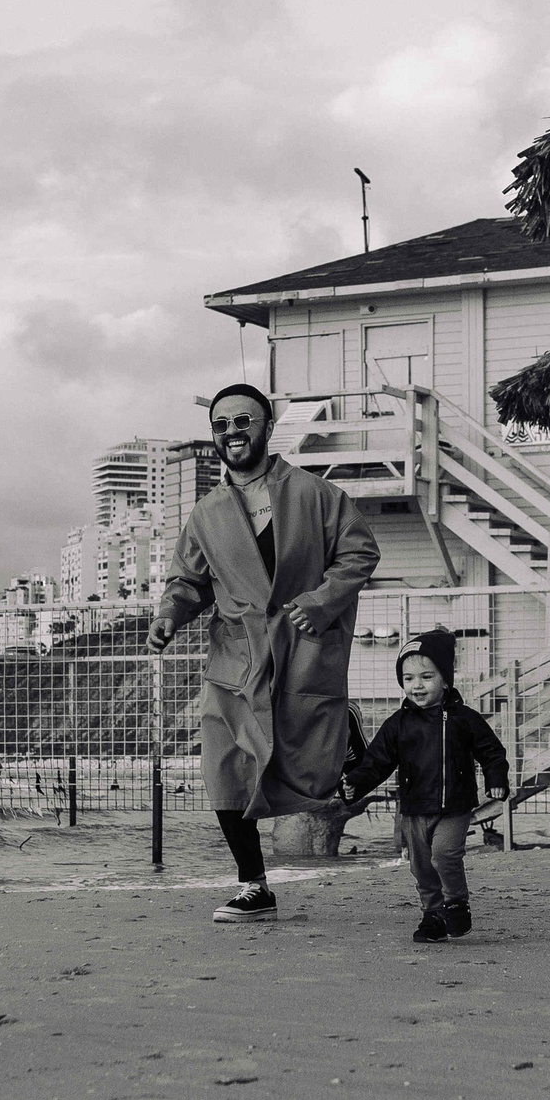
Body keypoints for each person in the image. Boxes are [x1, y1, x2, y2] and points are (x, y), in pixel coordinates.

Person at [149, 383, 380, 922]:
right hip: (235, 655)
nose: (233, 432)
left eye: (244, 421)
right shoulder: (206, 513)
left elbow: (359, 552)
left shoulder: (316, 494)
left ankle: (343, 736)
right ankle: (254, 885)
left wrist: (321, 603)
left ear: (268, 427)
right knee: (224, 768)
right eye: (222, 424)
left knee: (305, 753)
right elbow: (188, 580)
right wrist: (168, 617)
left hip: (301, 643)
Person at [339, 628, 508, 943]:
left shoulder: (464, 719)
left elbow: (492, 752)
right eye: (408, 678)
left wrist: (496, 780)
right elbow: (376, 761)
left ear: (445, 679)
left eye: (426, 677)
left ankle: (456, 902)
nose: (416, 685)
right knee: (420, 866)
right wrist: (355, 784)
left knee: (443, 854)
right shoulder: (398, 725)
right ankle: (432, 915)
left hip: (454, 807)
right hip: (414, 809)